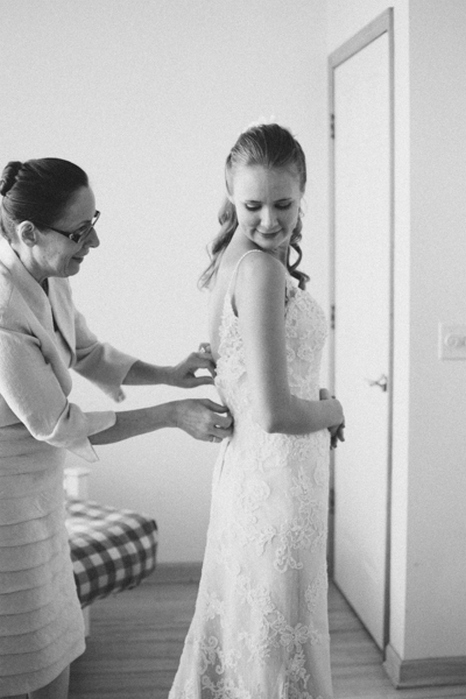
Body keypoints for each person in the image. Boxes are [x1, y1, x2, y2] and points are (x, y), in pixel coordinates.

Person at [0, 158, 232, 699]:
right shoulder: (3, 312)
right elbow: (58, 424)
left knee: (54, 652)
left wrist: (169, 377)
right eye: (80, 231)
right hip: (6, 513)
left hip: (36, 500)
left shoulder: (46, 279)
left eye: (94, 220)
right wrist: (171, 417)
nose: (95, 242)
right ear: (28, 232)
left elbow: (88, 353)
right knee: (27, 658)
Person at [168, 123, 345, 699]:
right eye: (252, 205)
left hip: (250, 476)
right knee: (273, 644)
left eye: (283, 204)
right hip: (278, 484)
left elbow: (242, 383)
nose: (270, 221)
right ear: (229, 193)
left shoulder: (234, 259)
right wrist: (333, 408)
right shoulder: (263, 270)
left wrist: (310, 405)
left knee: (248, 634)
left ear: (302, 194)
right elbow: (272, 413)